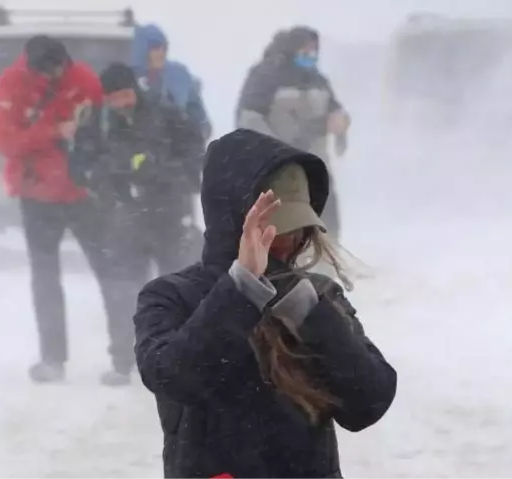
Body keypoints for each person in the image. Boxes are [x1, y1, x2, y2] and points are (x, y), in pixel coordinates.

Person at [133, 128, 397, 479]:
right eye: (273, 228)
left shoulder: (318, 296)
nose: (290, 240)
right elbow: (175, 377)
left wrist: (309, 314)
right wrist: (241, 290)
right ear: (233, 223)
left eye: (298, 226)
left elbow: (368, 403)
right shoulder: (172, 296)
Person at [0, 36, 135, 386]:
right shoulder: (11, 85)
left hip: (83, 195)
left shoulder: (84, 79)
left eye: (63, 66)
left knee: (110, 272)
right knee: (45, 279)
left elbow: (109, 132)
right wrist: (53, 131)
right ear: (35, 67)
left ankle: (124, 357)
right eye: (54, 69)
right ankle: (52, 359)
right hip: (36, 195)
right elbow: (6, 142)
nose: (61, 73)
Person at [69, 62, 201, 286]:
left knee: (177, 289)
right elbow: (79, 168)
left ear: (136, 90)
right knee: (128, 294)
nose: (122, 104)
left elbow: (195, 154)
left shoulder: (165, 112)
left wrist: (161, 169)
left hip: (169, 215)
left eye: (126, 95)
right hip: (121, 222)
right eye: (115, 99)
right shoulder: (96, 122)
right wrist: (114, 171)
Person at [236, 27, 351, 240]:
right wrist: (275, 152)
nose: (311, 55)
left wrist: (341, 121)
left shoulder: (318, 80)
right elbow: (249, 118)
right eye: (306, 50)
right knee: (279, 230)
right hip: (277, 170)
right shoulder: (266, 76)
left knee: (326, 225)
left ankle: (325, 266)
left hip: (315, 167)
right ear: (292, 49)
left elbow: (334, 110)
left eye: (315, 51)